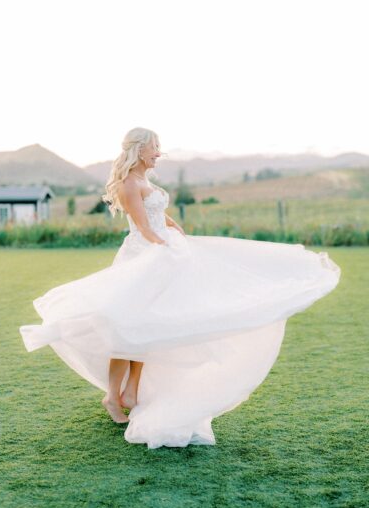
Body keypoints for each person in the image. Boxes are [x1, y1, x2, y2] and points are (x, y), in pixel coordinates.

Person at [19, 127, 341, 449]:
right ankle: (113, 398)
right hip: (141, 260)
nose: (159, 152)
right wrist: (165, 247)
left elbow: (157, 215)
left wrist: (173, 227)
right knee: (122, 328)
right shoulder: (128, 183)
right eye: (155, 147)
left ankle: (132, 391)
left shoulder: (146, 181)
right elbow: (143, 227)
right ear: (140, 149)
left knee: (147, 327)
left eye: (159, 147)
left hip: (160, 255)